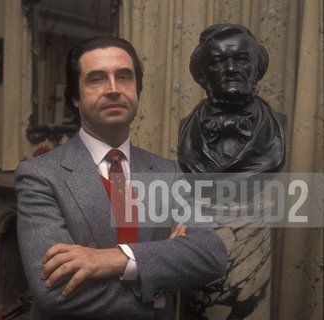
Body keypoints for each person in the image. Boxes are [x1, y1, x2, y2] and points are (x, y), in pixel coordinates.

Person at [15, 36, 227, 320]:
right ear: (75, 97)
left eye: (124, 77)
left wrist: (117, 259)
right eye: (97, 79)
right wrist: (159, 291)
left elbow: (210, 255)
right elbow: (55, 289)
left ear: (137, 90)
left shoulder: (168, 173)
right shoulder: (39, 175)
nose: (113, 89)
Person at [178, 24, 286, 173]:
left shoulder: (276, 125)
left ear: (257, 67)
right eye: (217, 62)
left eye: (241, 59)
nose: (231, 69)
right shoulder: (187, 128)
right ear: (202, 73)